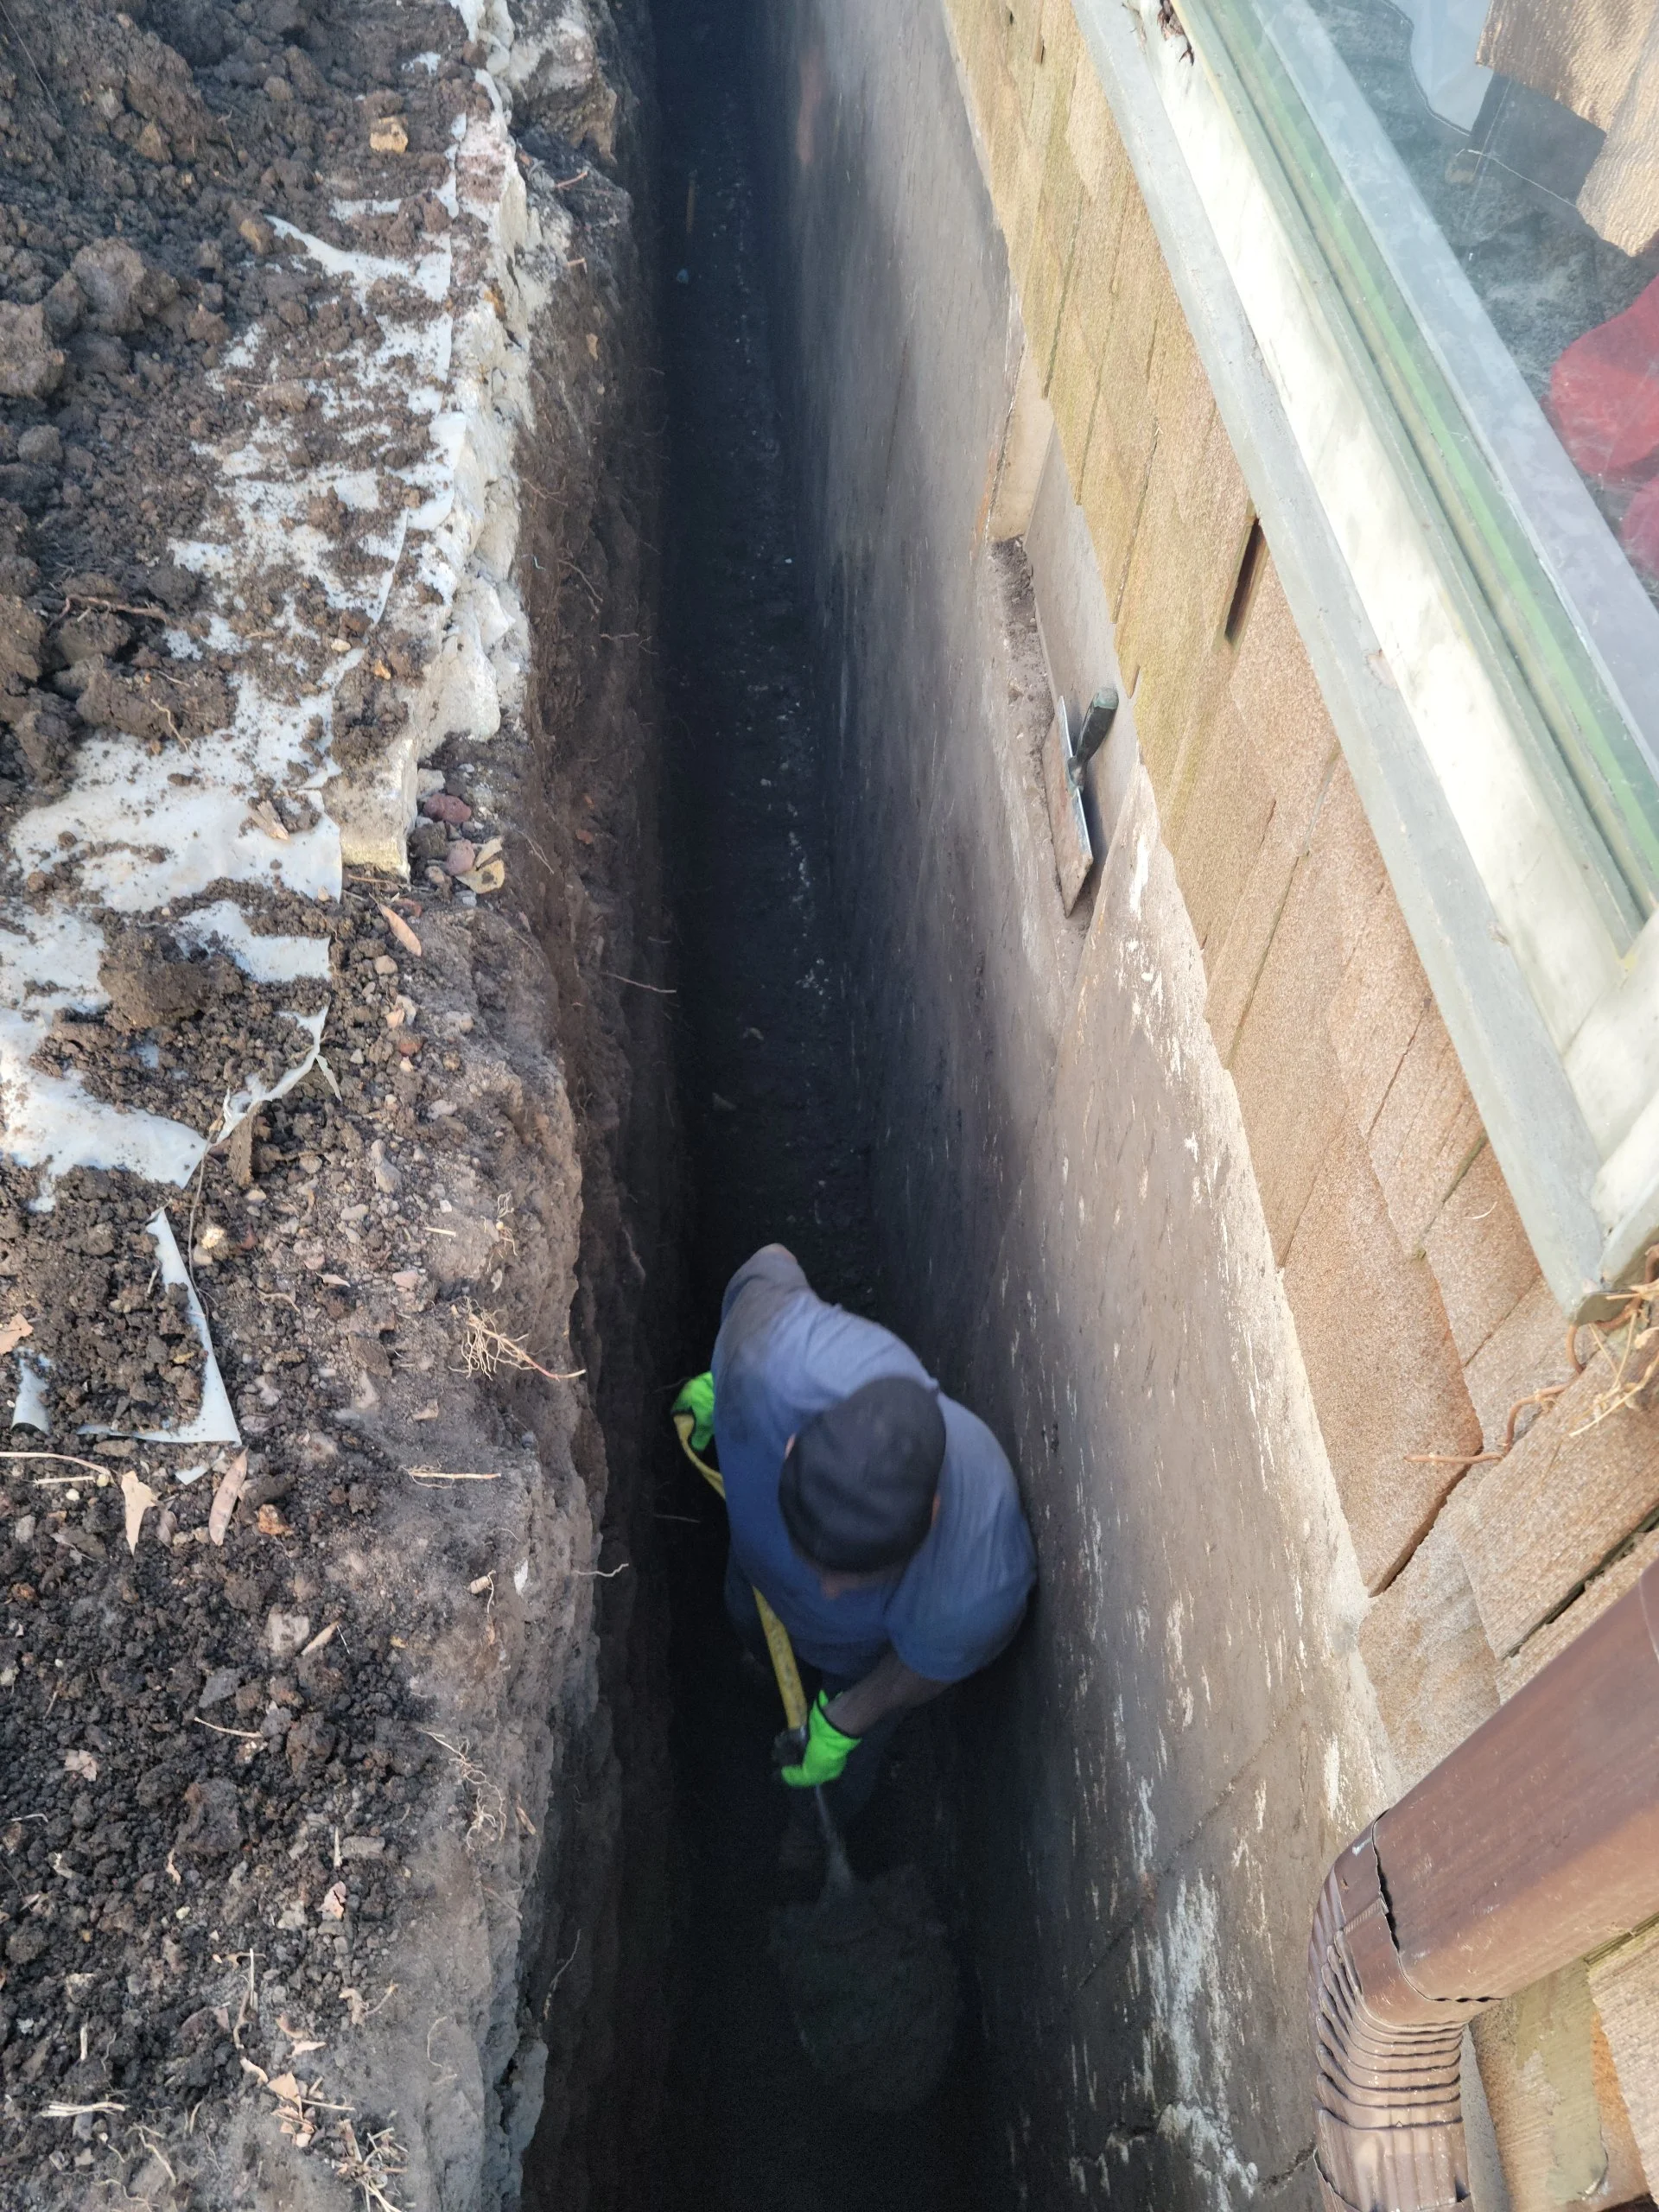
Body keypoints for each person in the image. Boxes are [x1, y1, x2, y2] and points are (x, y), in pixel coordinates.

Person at [677, 1243, 1037, 1844]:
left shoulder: (976, 1586)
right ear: (793, 1446)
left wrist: (849, 1718)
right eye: (817, 1562)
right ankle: (760, 1663)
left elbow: (924, 1667)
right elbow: (771, 1258)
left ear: (931, 1515)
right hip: (752, 1568)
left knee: (841, 1771)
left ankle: (815, 1833)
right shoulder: (774, 1354)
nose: (825, 1590)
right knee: (746, 1610)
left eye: (854, 1579)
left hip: (856, 1663)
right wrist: (729, 1378)